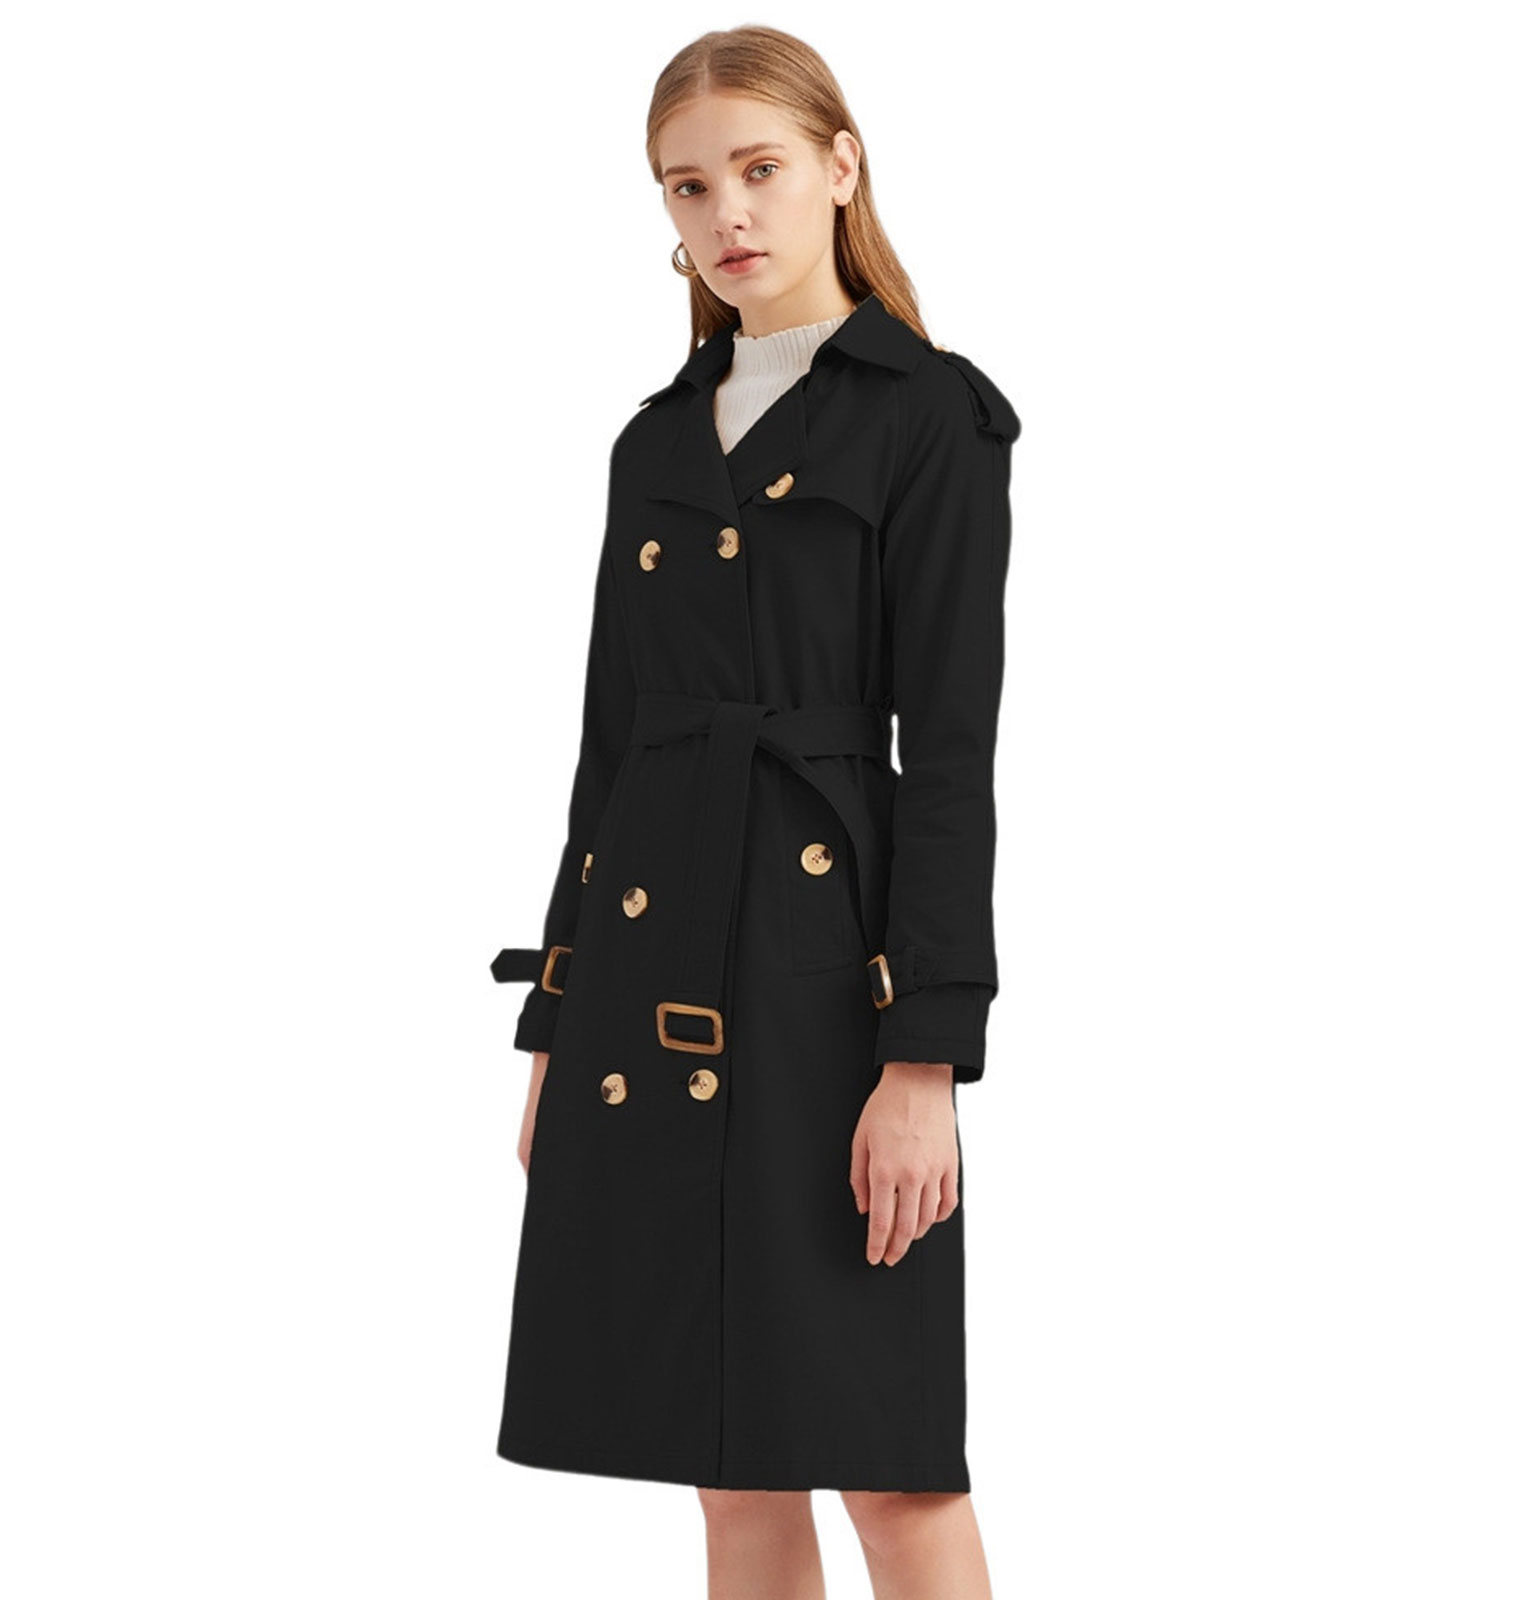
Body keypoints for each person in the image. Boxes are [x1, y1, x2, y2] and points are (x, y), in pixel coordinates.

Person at [489, 25, 1019, 1597]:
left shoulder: (929, 415)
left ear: (841, 167)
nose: (727, 212)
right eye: (688, 184)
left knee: (895, 1469)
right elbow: (607, 757)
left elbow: (954, 757)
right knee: (729, 1472)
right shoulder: (656, 441)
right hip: (650, 974)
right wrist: (556, 1023)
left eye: (761, 168)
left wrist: (925, 1057)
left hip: (824, 991)